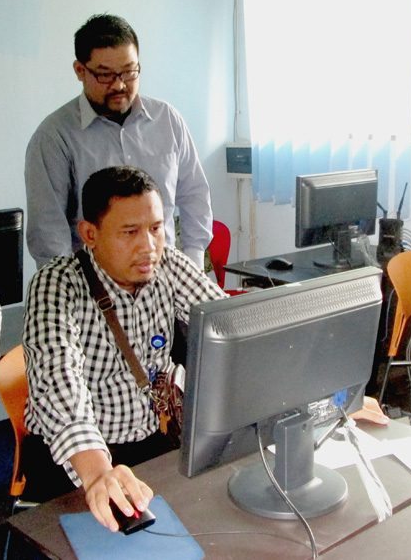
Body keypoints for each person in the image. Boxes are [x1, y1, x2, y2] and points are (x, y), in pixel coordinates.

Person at [23, 166, 389, 531]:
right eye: (130, 232)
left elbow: (241, 332)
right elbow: (58, 384)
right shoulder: (57, 284)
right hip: (77, 459)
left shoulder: (167, 264)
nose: (148, 246)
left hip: (155, 441)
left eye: (156, 228)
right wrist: (98, 473)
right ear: (90, 234)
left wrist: (326, 399)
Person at [24, 13, 213, 269]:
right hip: (93, 283)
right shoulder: (54, 137)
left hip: (164, 276)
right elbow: (48, 233)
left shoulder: (167, 120)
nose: (119, 85)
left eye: (129, 72)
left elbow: (194, 195)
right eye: (105, 75)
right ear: (80, 70)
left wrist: (193, 265)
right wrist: (71, 287)